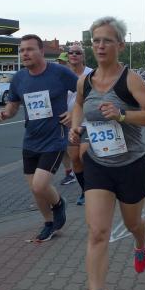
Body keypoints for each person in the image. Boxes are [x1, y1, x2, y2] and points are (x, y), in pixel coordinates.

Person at [69, 16, 145, 290]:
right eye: (95, 40)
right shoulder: (85, 81)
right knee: (98, 231)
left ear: (120, 45)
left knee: (133, 222)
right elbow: (79, 105)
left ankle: (141, 239)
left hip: (131, 165)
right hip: (99, 164)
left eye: (107, 40)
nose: (100, 46)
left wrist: (122, 115)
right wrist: (76, 127)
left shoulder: (130, 80)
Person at [0, 35, 78, 242]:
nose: (25, 54)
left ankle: (58, 204)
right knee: (35, 189)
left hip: (55, 137)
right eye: (22, 50)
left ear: (41, 51)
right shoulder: (19, 78)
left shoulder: (59, 72)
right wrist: (5, 113)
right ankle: (49, 224)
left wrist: (74, 113)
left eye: (30, 49)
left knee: (40, 185)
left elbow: (87, 92)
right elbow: (13, 104)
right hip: (31, 139)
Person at [64, 43, 93, 205]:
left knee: (84, 156)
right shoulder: (64, 74)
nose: (74, 55)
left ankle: (93, 190)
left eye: (77, 53)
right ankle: (84, 190)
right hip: (71, 124)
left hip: (88, 122)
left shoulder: (91, 74)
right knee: (75, 158)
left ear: (83, 56)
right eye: (71, 52)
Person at [55, 51, 77, 185]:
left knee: (78, 150)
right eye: (60, 62)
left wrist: (74, 113)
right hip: (62, 118)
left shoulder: (84, 75)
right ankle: (69, 173)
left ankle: (81, 172)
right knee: (63, 148)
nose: (61, 65)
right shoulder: (57, 77)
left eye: (64, 62)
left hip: (79, 119)